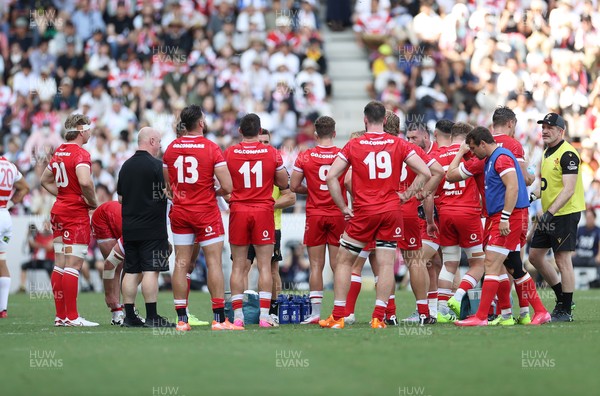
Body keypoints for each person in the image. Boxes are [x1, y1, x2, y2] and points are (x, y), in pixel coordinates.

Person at [320, 100, 434, 329]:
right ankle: (378, 317)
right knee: (385, 264)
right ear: (384, 120)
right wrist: (408, 194)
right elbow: (426, 171)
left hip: (363, 211)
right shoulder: (399, 144)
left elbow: (332, 177)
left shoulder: (354, 144)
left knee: (344, 261)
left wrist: (342, 206)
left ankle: (339, 315)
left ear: (364, 120)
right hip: (392, 211)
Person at [455, 127, 550, 326]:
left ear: (483, 143)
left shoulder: (501, 158)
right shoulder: (491, 159)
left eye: (474, 148)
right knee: (514, 266)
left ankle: (482, 316)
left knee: (490, 263)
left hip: (508, 216)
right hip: (503, 216)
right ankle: (539, 311)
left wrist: (505, 217)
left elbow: (513, 186)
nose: (472, 153)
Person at [162, 105, 241, 331]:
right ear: (201, 123)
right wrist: (209, 191)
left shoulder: (171, 148)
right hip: (205, 211)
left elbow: (168, 187)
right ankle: (218, 319)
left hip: (180, 210)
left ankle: (181, 320)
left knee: (181, 263)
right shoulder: (211, 148)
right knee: (214, 262)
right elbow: (227, 186)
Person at [224, 113, 289, 329]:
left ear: (240, 131)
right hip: (263, 211)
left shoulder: (230, 152)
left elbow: (223, 184)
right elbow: (283, 182)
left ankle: (239, 316)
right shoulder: (272, 153)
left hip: (239, 211)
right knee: (265, 266)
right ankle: (264, 316)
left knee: (238, 266)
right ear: (260, 131)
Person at [40, 114, 99, 327]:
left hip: (59, 211)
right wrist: (92, 201)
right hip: (74, 214)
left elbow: (44, 179)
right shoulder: (81, 153)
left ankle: (61, 316)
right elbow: (85, 180)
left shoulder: (59, 151)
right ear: (82, 131)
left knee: (60, 264)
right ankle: (72, 317)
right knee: (73, 265)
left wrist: (63, 195)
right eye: (89, 128)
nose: (91, 132)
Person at [528, 113, 586, 322]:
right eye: (543, 126)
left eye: (550, 127)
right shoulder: (545, 153)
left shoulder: (568, 154)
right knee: (535, 256)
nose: (544, 130)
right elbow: (543, 185)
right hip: (549, 213)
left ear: (561, 131)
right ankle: (563, 298)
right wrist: (530, 196)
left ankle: (566, 310)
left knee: (562, 259)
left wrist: (549, 213)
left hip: (564, 213)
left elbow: (569, 189)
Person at [290, 115, 345, 324]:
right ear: (334, 133)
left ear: (315, 134)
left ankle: (314, 313)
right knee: (339, 265)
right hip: (337, 212)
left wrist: (312, 190)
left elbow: (293, 186)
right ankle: (341, 312)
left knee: (315, 265)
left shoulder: (305, 156)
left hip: (315, 213)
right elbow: (349, 182)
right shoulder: (342, 155)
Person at [117, 127, 174, 328]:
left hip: (130, 228)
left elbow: (121, 198)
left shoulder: (126, 166)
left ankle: (130, 316)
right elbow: (171, 193)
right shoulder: (158, 166)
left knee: (131, 271)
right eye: (158, 142)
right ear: (151, 141)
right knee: (151, 270)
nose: (160, 146)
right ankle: (152, 316)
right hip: (152, 227)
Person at [432, 122, 485, 323]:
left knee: (449, 263)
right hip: (468, 213)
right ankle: (457, 297)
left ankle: (441, 310)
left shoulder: (437, 156)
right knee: (478, 263)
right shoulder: (472, 155)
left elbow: (433, 191)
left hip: (445, 214)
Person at [255, 129, 296, 321]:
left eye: (266, 142)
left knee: (272, 270)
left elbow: (291, 198)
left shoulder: (277, 168)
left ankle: (273, 309)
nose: (263, 145)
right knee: (243, 267)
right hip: (247, 222)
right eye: (260, 141)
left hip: (272, 225)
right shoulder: (245, 164)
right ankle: (247, 307)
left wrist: (267, 206)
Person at [0, 156, 29, 318]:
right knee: (1, 261)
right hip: (5, 216)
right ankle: (2, 309)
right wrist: (8, 205)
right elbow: (25, 187)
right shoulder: (9, 166)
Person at [90, 200, 125, 325]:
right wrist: (108, 294)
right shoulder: (136, 229)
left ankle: (128, 310)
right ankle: (117, 311)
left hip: (120, 219)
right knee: (117, 265)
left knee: (132, 265)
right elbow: (109, 264)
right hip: (103, 217)